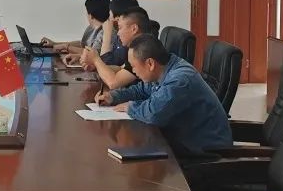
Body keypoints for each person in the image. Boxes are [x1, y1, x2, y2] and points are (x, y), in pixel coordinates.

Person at [99, 34, 232, 155]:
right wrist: (113, 96)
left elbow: (154, 114)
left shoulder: (180, 80)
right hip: (184, 141)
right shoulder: (164, 69)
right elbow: (141, 90)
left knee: (133, 153)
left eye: (134, 66)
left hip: (205, 152)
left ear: (150, 63)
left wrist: (131, 107)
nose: (133, 70)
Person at [81, 7, 158, 91]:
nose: (118, 33)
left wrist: (96, 60)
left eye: (120, 28)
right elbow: (121, 69)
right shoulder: (137, 46)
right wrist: (96, 66)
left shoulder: (143, 50)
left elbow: (113, 83)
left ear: (134, 29)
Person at [41, 0, 110, 56]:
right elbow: (82, 44)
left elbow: (92, 54)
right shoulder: (91, 27)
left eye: (86, 12)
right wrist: (54, 44)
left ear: (91, 16)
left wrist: (66, 47)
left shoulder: (106, 33)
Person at [101, 0, 141, 65]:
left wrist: (107, 34)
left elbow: (107, 64)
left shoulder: (130, 36)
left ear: (118, 19)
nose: (108, 20)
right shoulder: (120, 33)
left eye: (110, 15)